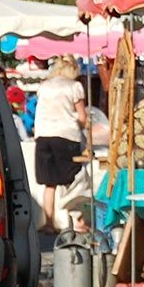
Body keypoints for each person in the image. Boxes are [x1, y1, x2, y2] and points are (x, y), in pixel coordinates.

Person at [32, 56, 88, 232]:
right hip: (66, 135)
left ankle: (49, 223)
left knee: (50, 183)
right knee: (73, 180)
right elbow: (82, 117)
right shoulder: (74, 87)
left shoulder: (44, 86)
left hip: (43, 135)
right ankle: (78, 222)